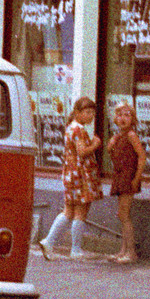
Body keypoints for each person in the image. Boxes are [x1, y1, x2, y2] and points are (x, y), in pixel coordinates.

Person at [38, 97, 101, 259]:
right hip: (80, 174)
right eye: (87, 112)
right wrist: (95, 144)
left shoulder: (70, 128)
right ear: (78, 112)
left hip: (70, 174)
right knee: (80, 211)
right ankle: (75, 249)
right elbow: (81, 152)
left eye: (92, 113)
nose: (91, 116)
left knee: (69, 210)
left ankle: (49, 241)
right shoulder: (78, 129)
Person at [105, 102, 146, 264]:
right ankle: (123, 251)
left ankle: (131, 252)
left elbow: (141, 156)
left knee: (124, 214)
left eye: (127, 115)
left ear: (133, 119)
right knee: (122, 214)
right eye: (120, 115)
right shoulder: (118, 136)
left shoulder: (131, 135)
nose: (122, 118)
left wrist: (136, 178)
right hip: (120, 176)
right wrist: (110, 146)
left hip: (129, 177)